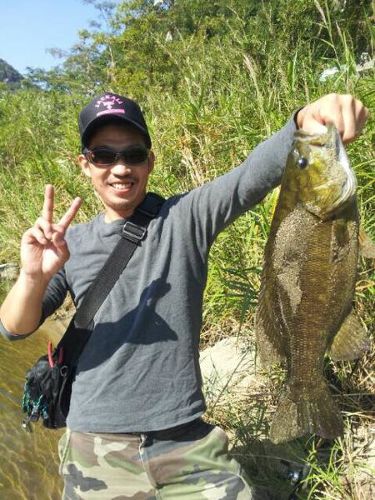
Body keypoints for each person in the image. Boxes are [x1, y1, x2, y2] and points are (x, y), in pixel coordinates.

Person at [0, 92, 368, 499]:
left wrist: (306, 119)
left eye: (133, 154)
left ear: (150, 161)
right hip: (95, 443)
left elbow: (251, 177)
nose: (120, 168)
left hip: (186, 439)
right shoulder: (68, 244)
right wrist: (33, 275)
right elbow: (14, 329)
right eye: (104, 156)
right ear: (85, 165)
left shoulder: (186, 218)